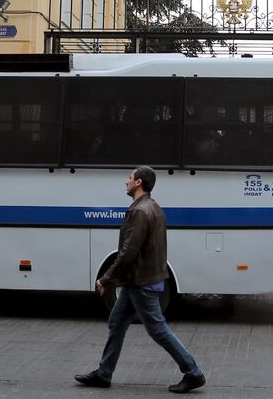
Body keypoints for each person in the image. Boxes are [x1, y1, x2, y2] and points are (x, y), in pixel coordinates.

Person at [74, 166, 206, 394]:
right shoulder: (153, 207)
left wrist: (106, 278)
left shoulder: (140, 211)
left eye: (130, 177)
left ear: (139, 183)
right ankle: (104, 373)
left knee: (157, 329)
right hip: (137, 281)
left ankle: (193, 372)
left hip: (140, 282)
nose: (126, 181)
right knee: (117, 322)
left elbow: (128, 252)